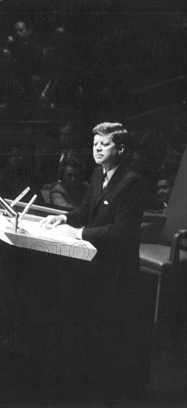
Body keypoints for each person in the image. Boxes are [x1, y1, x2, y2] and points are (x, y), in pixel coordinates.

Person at [40, 122, 148, 401]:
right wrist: (64, 218)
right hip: (93, 263)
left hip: (115, 273)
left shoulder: (132, 181)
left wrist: (79, 232)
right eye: (95, 144)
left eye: (105, 144)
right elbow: (87, 210)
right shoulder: (99, 172)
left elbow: (122, 232)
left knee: (104, 340)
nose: (97, 149)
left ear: (121, 149)